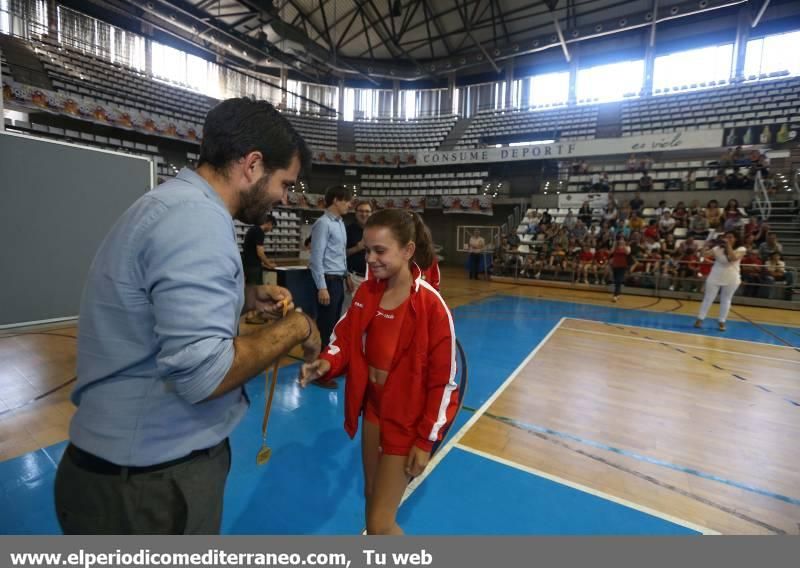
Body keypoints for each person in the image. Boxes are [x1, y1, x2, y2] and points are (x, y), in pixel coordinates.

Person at [54, 98, 321, 535]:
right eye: (285, 183)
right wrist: (298, 327)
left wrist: (244, 295)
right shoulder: (197, 220)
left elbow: (153, 303)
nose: (283, 198)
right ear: (252, 165)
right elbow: (205, 377)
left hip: (124, 474)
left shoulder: (171, 204)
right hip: (148, 488)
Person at [299, 210, 458, 535]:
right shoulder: (367, 294)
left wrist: (425, 441)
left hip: (407, 421)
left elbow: (444, 383)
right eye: (367, 249)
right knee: (371, 498)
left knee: (379, 523)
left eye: (380, 251)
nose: (369, 258)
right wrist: (327, 362)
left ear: (408, 250)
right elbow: (344, 338)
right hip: (372, 413)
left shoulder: (431, 306)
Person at [310, 185, 351, 354]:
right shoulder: (323, 223)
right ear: (336, 200)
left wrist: (346, 275)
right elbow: (316, 258)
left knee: (336, 325)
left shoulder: (340, 224)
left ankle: (329, 363)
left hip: (338, 280)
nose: (349, 205)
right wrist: (322, 287)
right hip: (328, 282)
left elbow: (340, 254)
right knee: (326, 327)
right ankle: (320, 366)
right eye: (347, 201)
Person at [695, 232, 746, 332]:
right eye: (726, 237)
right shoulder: (717, 249)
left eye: (730, 237)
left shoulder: (741, 249)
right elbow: (702, 257)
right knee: (708, 298)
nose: (727, 239)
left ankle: (722, 321)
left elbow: (732, 258)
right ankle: (700, 319)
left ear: (736, 239)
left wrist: (728, 246)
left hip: (732, 278)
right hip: (715, 275)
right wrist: (705, 246)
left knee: (726, 299)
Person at [243, 214, 277, 324]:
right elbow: (260, 252)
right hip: (253, 267)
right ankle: (251, 316)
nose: (270, 229)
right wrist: (269, 264)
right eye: (272, 226)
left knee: (251, 289)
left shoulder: (252, 230)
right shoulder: (259, 232)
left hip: (249, 264)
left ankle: (251, 315)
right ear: (269, 223)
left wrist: (264, 265)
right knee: (255, 290)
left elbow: (252, 252)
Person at [343, 201, 373, 312]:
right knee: (353, 311)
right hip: (353, 277)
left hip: (372, 278)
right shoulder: (347, 230)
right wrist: (358, 247)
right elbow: (340, 255)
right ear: (355, 213)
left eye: (367, 211)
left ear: (371, 213)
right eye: (361, 211)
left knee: (369, 311)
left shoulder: (376, 230)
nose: (364, 214)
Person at [609, 235, 631, 302]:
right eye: (620, 239)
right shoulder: (615, 247)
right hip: (615, 265)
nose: (621, 241)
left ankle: (615, 295)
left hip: (623, 265)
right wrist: (614, 244)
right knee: (616, 281)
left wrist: (624, 245)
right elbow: (611, 252)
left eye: (622, 239)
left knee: (619, 280)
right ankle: (618, 293)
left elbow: (628, 253)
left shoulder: (627, 247)